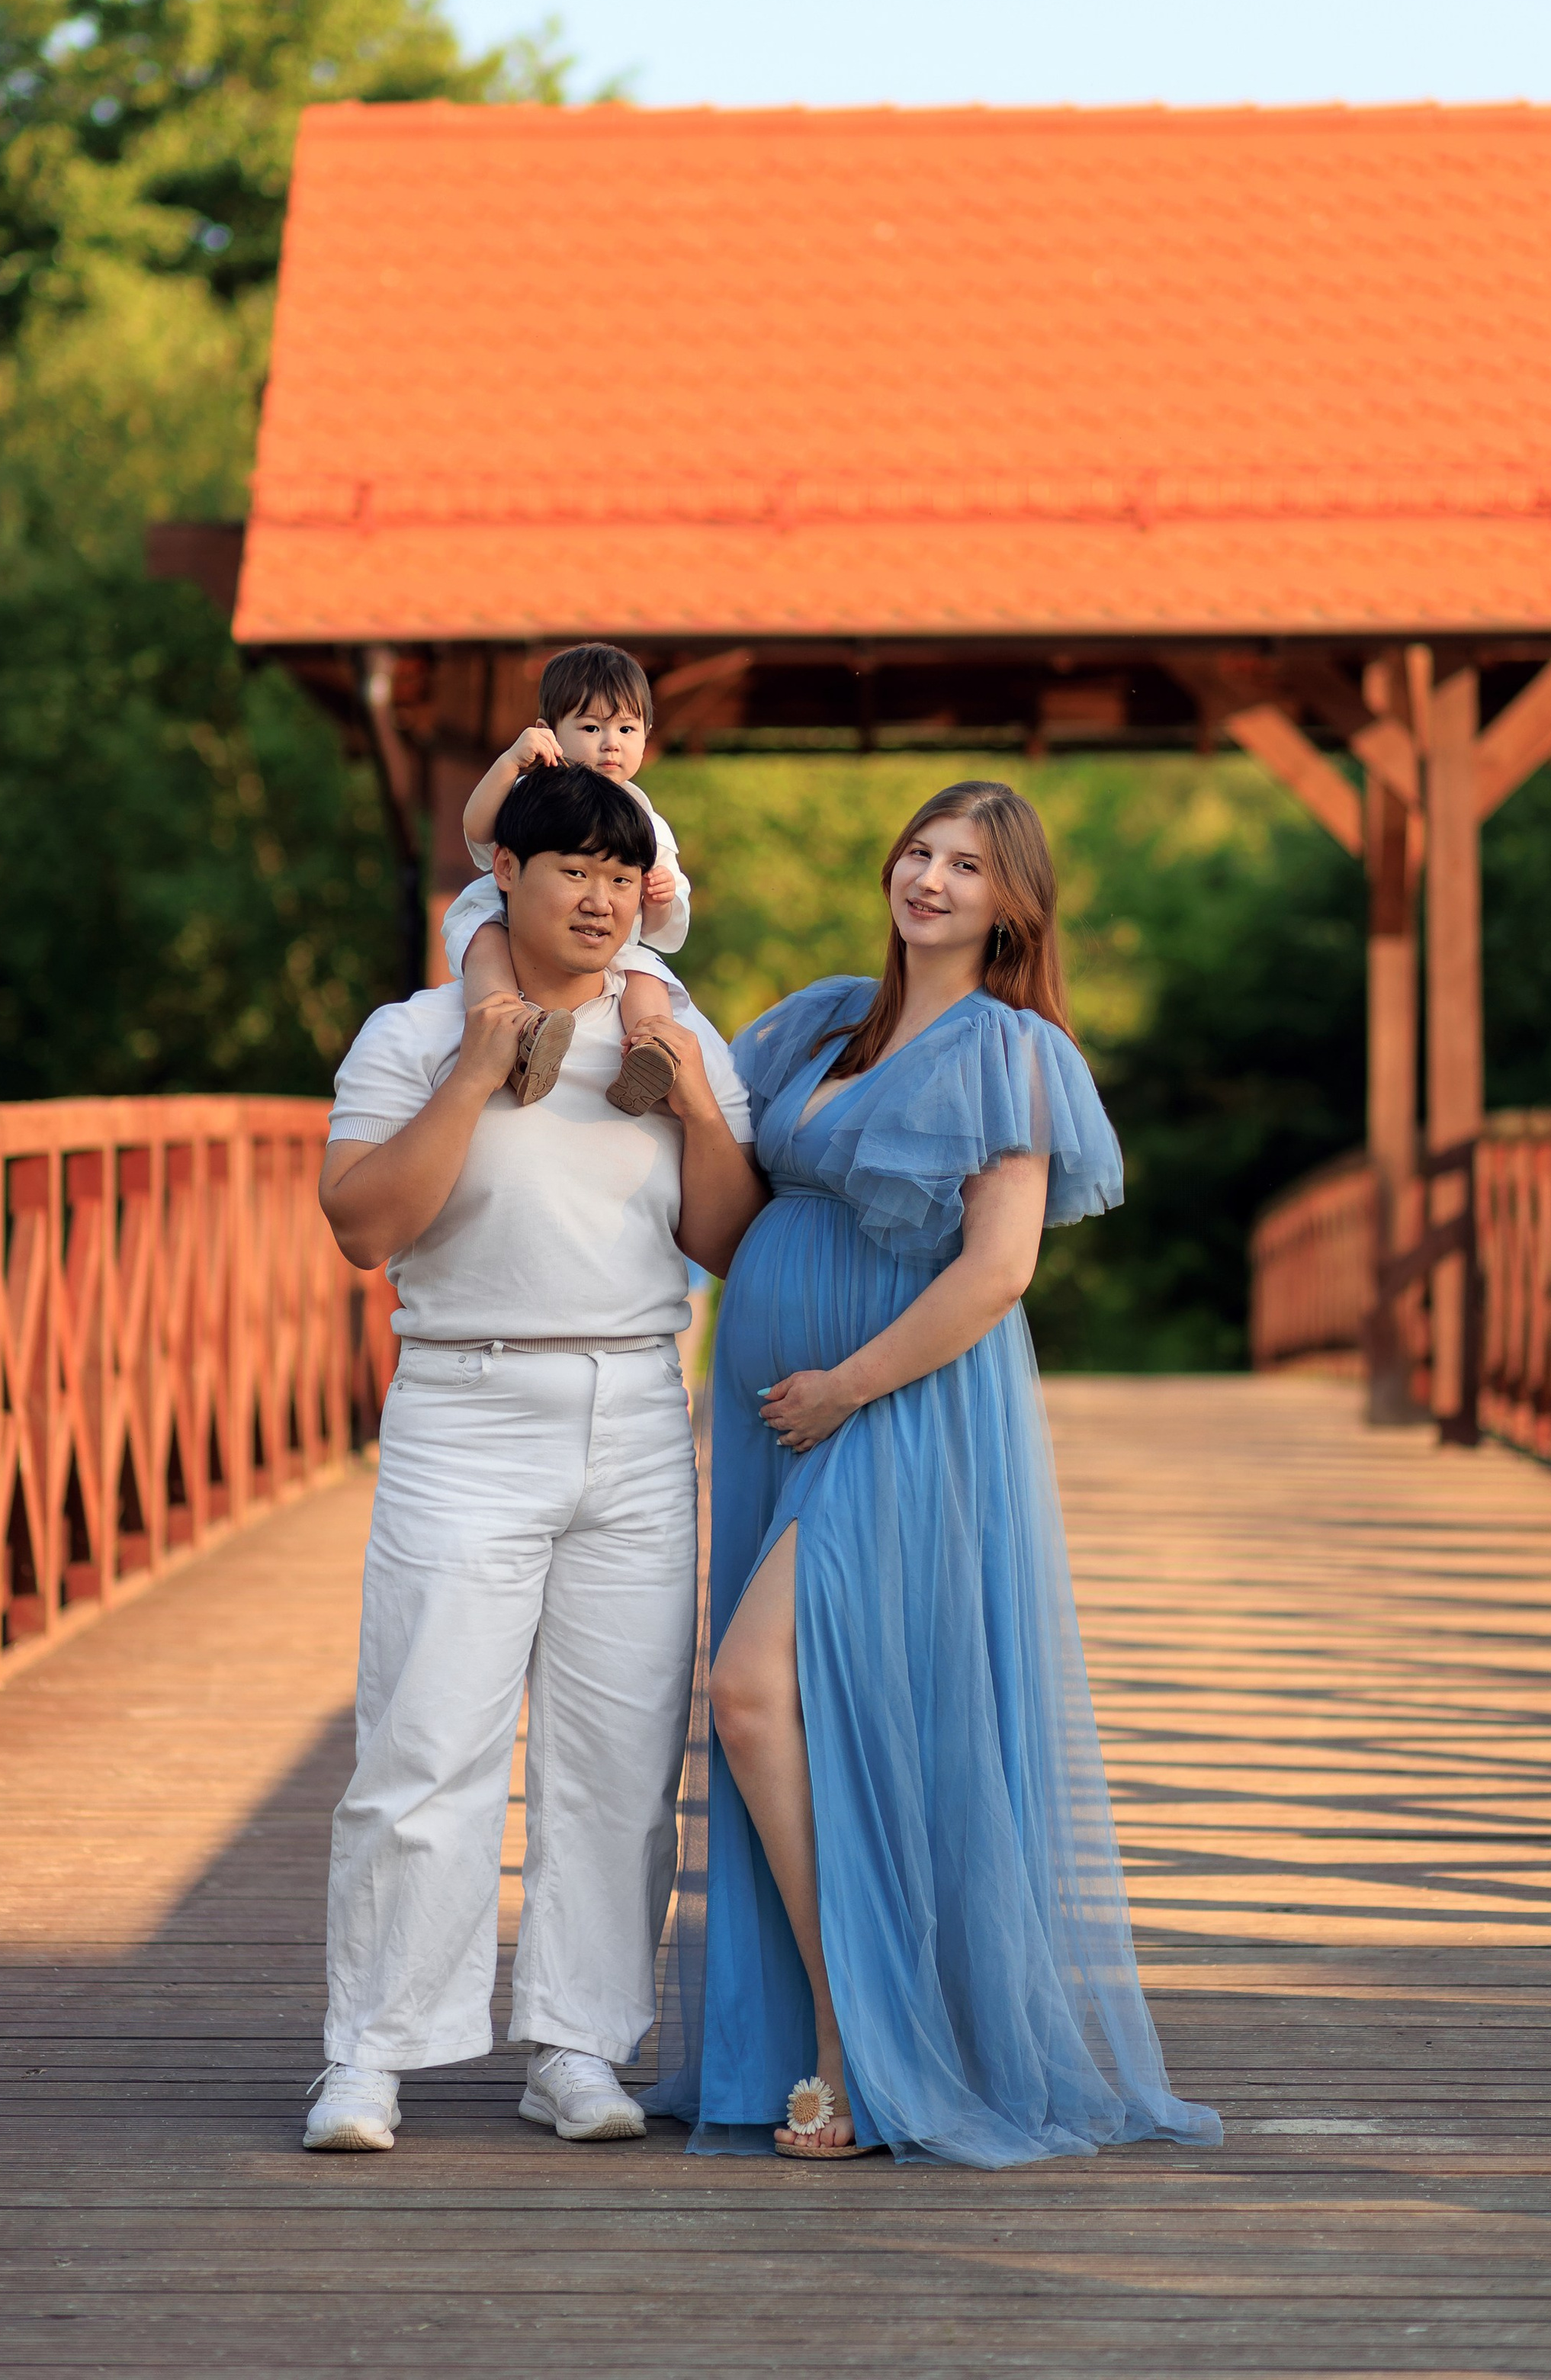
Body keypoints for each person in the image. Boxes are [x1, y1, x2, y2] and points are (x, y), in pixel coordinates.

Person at [647, 781, 1222, 2167]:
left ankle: (854, 2044)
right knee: (820, 1712)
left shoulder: (1011, 1051)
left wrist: (847, 1386)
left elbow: (999, 1270)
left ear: (1012, 905)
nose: (932, 879)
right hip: (777, 1409)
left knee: (751, 1691)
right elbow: (730, 1207)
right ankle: (831, 2037)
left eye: (968, 865)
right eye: (919, 850)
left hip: (898, 1404)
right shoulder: (822, 1023)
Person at [307, 761, 763, 2155]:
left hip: (635, 1411)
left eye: (623, 878)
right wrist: (473, 1072)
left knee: (621, 1761)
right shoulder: (412, 1032)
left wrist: (695, 1104)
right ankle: (373, 2055)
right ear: (503, 873)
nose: (601, 899)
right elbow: (363, 1226)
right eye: (573, 870)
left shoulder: (677, 1032)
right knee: (424, 1743)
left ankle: (578, 2044)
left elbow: (726, 1239)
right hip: (466, 1406)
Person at [445, 644, 692, 1116]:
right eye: (591, 728)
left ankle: (651, 1052)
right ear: (547, 732)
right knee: (483, 938)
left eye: (626, 729)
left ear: (647, 736)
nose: (610, 743)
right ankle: (508, 1028)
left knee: (646, 972)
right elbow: (478, 829)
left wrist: (659, 899)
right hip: (510, 918)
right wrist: (510, 763)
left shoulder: (646, 822)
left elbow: (660, 928)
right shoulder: (532, 791)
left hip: (607, 940)